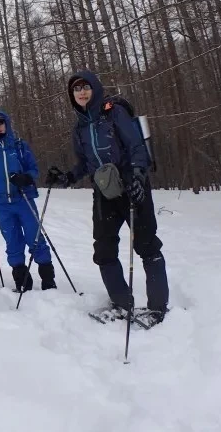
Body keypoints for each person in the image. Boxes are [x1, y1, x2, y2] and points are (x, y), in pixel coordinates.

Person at [46, 70, 169, 325]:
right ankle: (121, 303)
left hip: (132, 186)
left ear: (95, 88)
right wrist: (67, 177)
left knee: (147, 245)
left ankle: (157, 307)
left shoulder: (114, 113)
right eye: (76, 89)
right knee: (103, 249)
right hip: (104, 191)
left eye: (85, 87)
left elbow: (136, 146)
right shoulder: (79, 127)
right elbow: (84, 163)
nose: (81, 92)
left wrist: (137, 176)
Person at [0, 109, 57, 293]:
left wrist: (26, 178)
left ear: (7, 124)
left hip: (23, 199)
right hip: (3, 205)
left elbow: (33, 169)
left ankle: (48, 279)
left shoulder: (19, 147)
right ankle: (22, 280)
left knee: (35, 238)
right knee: (12, 241)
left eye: (0, 123)